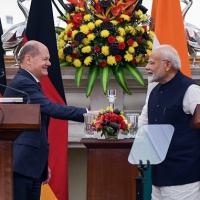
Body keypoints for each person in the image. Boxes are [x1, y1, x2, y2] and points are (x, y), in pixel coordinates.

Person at [3, 40, 87, 200]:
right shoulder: (23, 83)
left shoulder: (30, 82)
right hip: (21, 166)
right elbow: (50, 108)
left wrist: (42, 165)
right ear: (28, 59)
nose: (49, 63)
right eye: (45, 59)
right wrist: (87, 114)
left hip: (30, 166)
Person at [138, 44, 200, 200]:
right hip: (158, 177)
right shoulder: (154, 92)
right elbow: (144, 124)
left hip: (184, 177)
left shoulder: (190, 89)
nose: (147, 67)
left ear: (167, 65)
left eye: (152, 63)